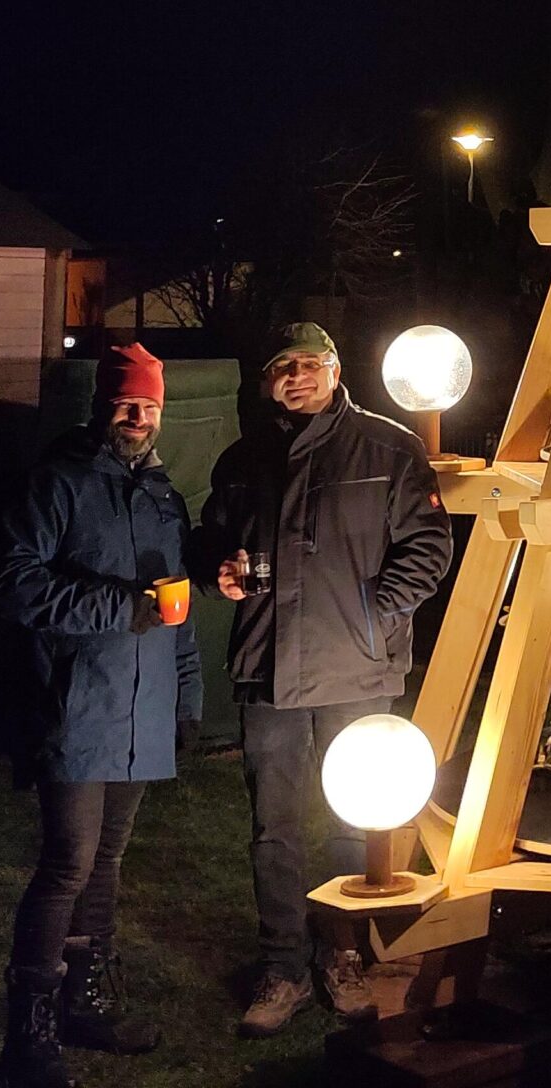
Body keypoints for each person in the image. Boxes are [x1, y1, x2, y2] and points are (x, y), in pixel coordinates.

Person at [193, 321, 454, 1036]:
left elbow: (430, 544)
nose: (295, 377)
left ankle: (345, 958)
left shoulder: (388, 446)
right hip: (266, 668)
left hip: (356, 667)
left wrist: (376, 611)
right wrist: (215, 570)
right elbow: (212, 538)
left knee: (354, 824)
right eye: (282, 367)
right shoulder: (244, 459)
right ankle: (282, 967)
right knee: (273, 828)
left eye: (309, 364)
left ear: (336, 372)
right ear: (266, 381)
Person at [0, 342, 201, 1088]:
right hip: (77, 704)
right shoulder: (58, 483)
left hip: (143, 710)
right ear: (101, 407)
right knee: (67, 863)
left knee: (106, 862)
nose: (138, 417)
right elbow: (15, 584)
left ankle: (86, 1005)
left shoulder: (162, 496)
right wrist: (121, 608)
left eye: (149, 406)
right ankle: (30, 1036)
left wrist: (187, 695)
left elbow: (176, 611)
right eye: (126, 403)